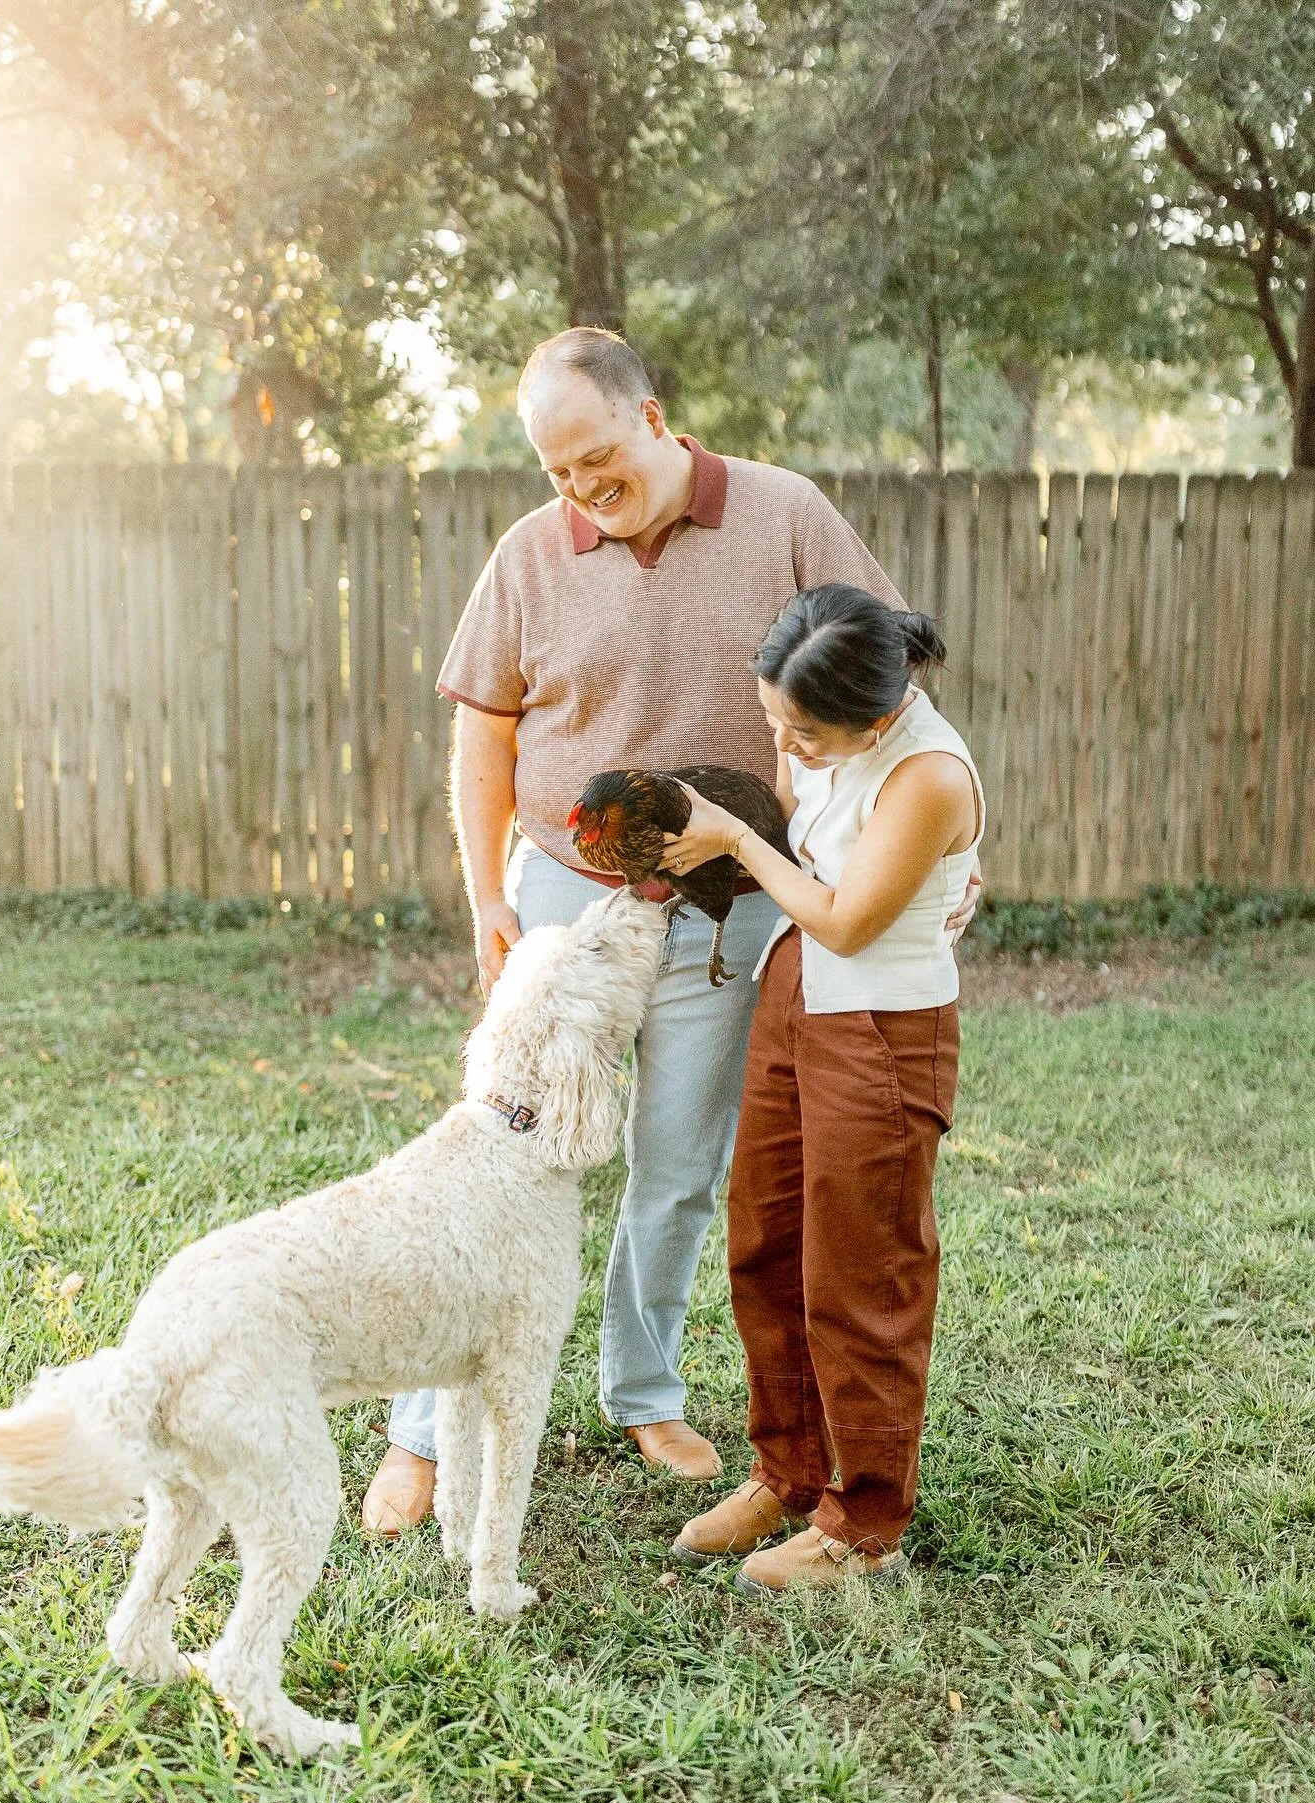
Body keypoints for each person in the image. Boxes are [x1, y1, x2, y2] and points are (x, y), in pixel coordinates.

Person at [360, 328, 979, 1536]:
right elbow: (482, 731)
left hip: (730, 916)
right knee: (499, 1159)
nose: (581, 488)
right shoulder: (528, 557)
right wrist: (488, 892)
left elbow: (889, 668)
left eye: (595, 456)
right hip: (560, 900)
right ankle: (422, 1433)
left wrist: (958, 835)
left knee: (681, 1171)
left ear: (654, 417)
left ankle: (640, 1387)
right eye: (555, 471)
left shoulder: (785, 512)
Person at [659, 584, 982, 1594]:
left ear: (878, 716)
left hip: (881, 1026)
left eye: (805, 729)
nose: (786, 745)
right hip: (798, 995)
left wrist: (738, 841)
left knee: (862, 1271)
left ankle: (864, 1519)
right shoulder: (833, 740)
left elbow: (848, 919)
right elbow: (815, 858)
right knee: (765, 1242)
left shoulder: (926, 773)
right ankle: (788, 1472)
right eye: (774, 722)